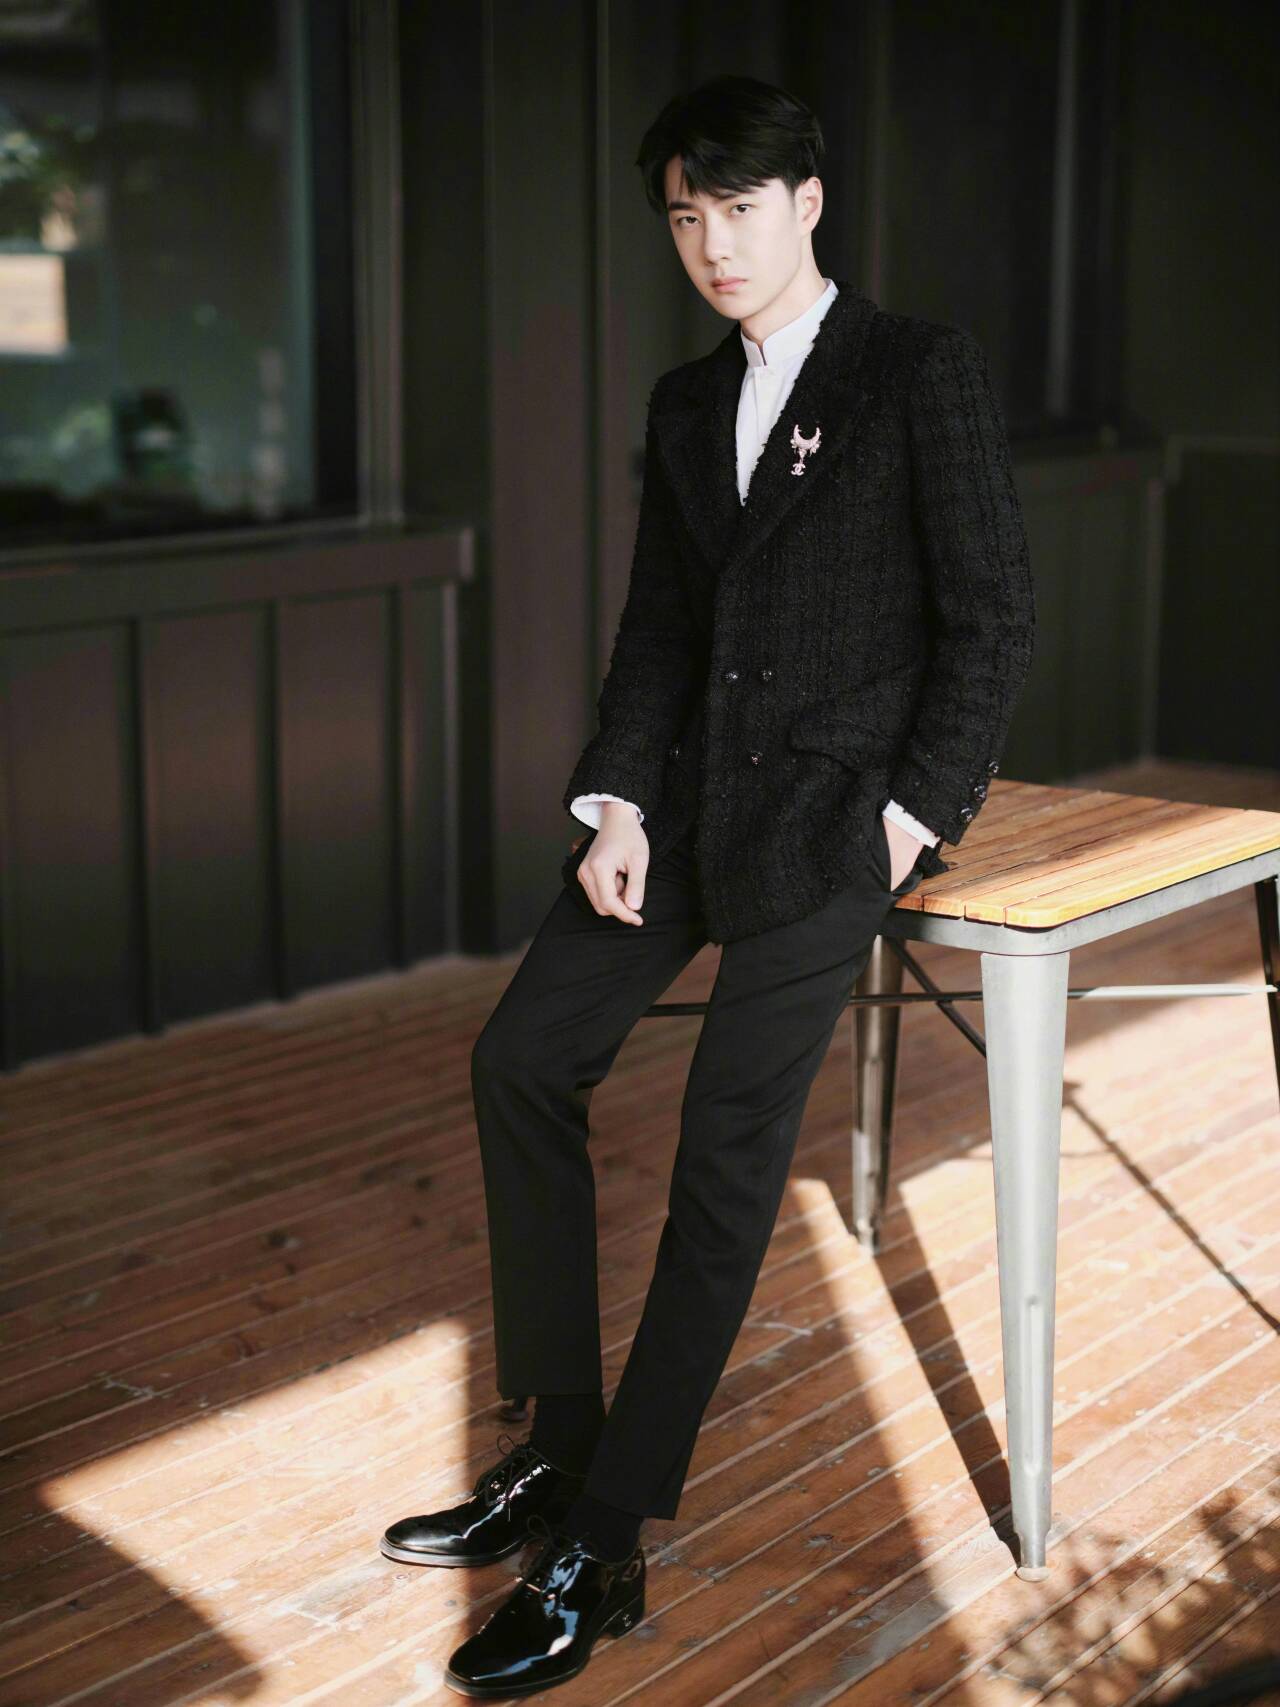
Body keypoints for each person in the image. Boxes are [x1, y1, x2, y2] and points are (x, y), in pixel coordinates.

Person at [381, 72, 1036, 1698]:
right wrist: (614, 801)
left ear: (807, 201)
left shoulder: (915, 370)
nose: (713, 244)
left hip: (836, 819)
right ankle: (560, 1443)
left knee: (725, 1151)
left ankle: (606, 1545)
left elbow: (991, 617)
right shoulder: (687, 403)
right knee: (521, 1058)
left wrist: (912, 818)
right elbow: (659, 634)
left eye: (738, 209)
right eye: (686, 217)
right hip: (682, 808)